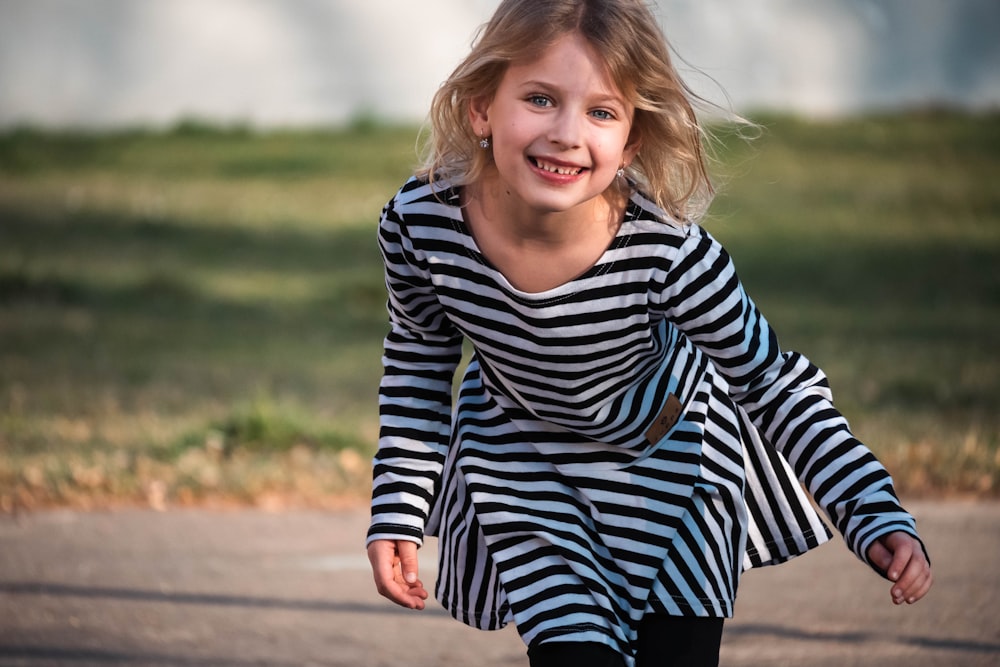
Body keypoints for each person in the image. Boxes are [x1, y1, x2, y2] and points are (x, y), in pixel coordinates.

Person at [365, 1, 932, 665]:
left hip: (674, 472)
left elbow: (770, 381)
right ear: (481, 108)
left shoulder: (669, 253)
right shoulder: (422, 224)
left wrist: (870, 505)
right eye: (541, 99)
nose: (568, 133)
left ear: (632, 140)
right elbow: (418, 367)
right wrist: (399, 508)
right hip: (528, 477)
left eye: (602, 112)